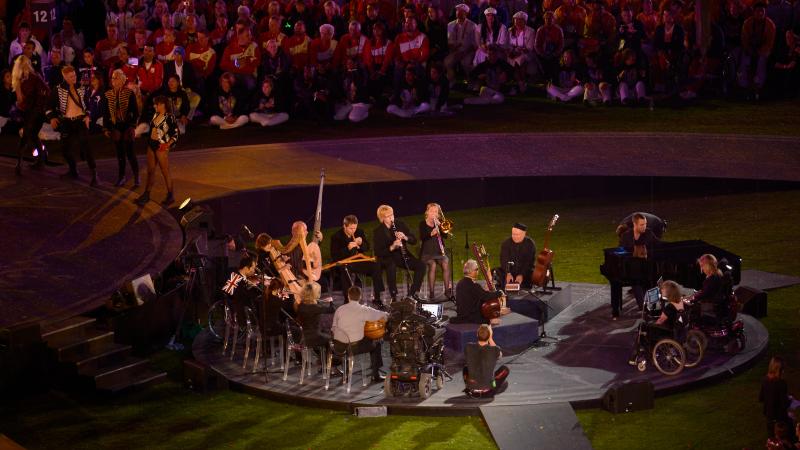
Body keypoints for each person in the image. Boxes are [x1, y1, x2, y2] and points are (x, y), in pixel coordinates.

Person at [47, 65, 98, 185]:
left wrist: (88, 116)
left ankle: (95, 174)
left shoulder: (82, 87)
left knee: (86, 147)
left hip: (80, 121)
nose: (74, 78)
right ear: (64, 77)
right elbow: (48, 106)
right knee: (65, 150)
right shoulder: (58, 89)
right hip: (66, 122)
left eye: (74, 75)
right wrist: (52, 118)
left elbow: (90, 104)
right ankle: (73, 170)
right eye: (71, 76)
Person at [331, 286, 388, 383]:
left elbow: (333, 328)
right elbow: (383, 315)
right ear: (360, 297)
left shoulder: (339, 309)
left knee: (349, 341)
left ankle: (345, 376)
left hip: (338, 347)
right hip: (353, 348)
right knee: (376, 343)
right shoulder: (364, 309)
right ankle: (375, 375)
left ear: (348, 296)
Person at [610, 212, 659, 319]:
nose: (644, 227)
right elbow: (620, 253)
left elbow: (659, 246)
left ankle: (653, 307)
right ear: (635, 225)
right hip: (630, 268)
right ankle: (644, 308)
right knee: (636, 280)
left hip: (646, 267)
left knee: (654, 278)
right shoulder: (626, 236)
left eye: (645, 224)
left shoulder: (649, 233)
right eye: (642, 225)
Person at [373, 204, 427, 301]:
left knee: (421, 265)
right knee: (391, 266)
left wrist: (405, 237)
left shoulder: (400, 224)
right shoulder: (378, 232)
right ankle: (394, 296)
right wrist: (392, 246)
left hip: (403, 255)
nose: (391, 218)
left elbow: (414, 240)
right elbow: (378, 252)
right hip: (388, 257)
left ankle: (412, 294)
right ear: (382, 218)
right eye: (388, 216)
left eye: (392, 215)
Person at [330, 215, 385, 307]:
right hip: (344, 262)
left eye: (355, 228)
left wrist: (361, 244)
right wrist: (347, 248)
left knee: (376, 266)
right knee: (345, 269)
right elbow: (335, 256)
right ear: (344, 226)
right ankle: (348, 300)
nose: (353, 230)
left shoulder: (359, 232)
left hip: (357, 260)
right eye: (351, 228)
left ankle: (377, 298)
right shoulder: (336, 237)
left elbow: (367, 247)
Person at [136, 95, 177, 206]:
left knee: (165, 171)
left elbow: (175, 134)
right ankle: (146, 195)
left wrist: (167, 144)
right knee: (150, 171)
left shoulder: (170, 117)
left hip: (161, 146)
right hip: (151, 145)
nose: (154, 106)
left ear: (162, 105)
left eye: (156, 104)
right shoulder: (155, 114)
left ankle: (170, 195)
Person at [11, 55, 49, 175]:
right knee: (31, 135)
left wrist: (40, 107)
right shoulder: (18, 80)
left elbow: (46, 91)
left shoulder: (34, 77)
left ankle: (19, 164)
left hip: (37, 111)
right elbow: (21, 101)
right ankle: (40, 160)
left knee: (27, 136)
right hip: (29, 111)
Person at [102, 69, 140, 187]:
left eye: (116, 77)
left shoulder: (129, 93)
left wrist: (133, 126)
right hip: (115, 126)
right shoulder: (107, 95)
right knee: (120, 154)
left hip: (127, 126)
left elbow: (135, 112)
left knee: (130, 153)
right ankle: (121, 177)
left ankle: (137, 177)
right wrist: (106, 128)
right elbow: (106, 113)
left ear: (123, 80)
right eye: (113, 78)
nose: (113, 80)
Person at [463, 324, 509, 397]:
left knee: (466, 368)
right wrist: (490, 338)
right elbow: (500, 355)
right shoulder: (495, 349)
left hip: (472, 390)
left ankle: (471, 388)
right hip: (488, 391)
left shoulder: (468, 347)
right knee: (505, 369)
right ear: (490, 335)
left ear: (477, 334)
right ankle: (489, 387)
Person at [419, 203, 453, 301]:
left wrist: (440, 227)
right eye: (432, 211)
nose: (434, 213)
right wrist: (431, 233)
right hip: (427, 253)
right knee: (433, 265)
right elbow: (422, 237)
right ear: (427, 212)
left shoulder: (439, 222)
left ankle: (447, 291)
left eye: (436, 212)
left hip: (439, 252)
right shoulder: (422, 224)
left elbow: (446, 236)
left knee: (445, 262)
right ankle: (432, 293)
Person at [455, 259, 505, 324]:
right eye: (477, 269)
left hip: (461, 315)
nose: (478, 271)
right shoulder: (473, 285)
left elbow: (479, 294)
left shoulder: (460, 283)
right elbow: (486, 296)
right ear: (471, 271)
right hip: (471, 318)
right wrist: (499, 293)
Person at [296, 281, 335, 361]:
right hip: (313, 337)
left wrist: (316, 301)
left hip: (304, 336)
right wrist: (331, 301)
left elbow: (313, 307)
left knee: (325, 333)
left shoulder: (300, 305)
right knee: (331, 340)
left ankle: (322, 359)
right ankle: (328, 363)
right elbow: (331, 310)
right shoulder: (314, 307)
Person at [221, 252, 262, 326]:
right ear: (246, 268)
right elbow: (228, 295)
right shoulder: (235, 278)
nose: (254, 270)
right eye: (252, 268)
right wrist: (250, 287)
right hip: (241, 313)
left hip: (244, 306)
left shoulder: (238, 275)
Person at [445, 3, 479, 85]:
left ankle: (471, 82)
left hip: (467, 52)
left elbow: (475, 44)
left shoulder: (473, 26)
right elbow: (449, 42)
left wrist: (465, 52)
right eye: (457, 10)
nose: (458, 13)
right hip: (455, 51)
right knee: (447, 62)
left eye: (461, 11)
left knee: (467, 63)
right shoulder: (450, 25)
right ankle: (452, 80)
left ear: (466, 13)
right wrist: (454, 49)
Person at [496, 223, 536, 290]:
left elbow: (529, 262)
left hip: (525, 271)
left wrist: (521, 275)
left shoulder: (530, 244)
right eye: (513, 234)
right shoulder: (506, 243)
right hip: (510, 271)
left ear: (524, 234)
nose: (515, 236)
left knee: (531, 277)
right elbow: (504, 260)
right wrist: (508, 273)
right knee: (497, 273)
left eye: (517, 234)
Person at [760, 356, 791, 439]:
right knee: (783, 436)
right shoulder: (781, 383)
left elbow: (761, 398)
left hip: (769, 415)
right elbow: (784, 404)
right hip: (779, 416)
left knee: (771, 436)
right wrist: (790, 400)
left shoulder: (764, 380)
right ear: (780, 370)